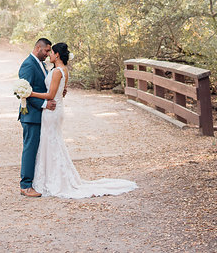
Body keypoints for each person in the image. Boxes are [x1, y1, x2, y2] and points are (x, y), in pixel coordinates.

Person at [29, 42, 138, 198]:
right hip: (57, 110)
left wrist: (30, 93)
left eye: (51, 52)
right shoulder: (63, 70)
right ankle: (52, 176)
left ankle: (54, 179)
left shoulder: (57, 72)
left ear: (57, 55)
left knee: (51, 142)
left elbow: (50, 95)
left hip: (51, 111)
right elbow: (63, 92)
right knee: (53, 142)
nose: (49, 55)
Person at [17, 38, 54, 197]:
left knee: (38, 150)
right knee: (30, 150)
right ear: (38, 47)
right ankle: (25, 186)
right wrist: (45, 104)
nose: (47, 54)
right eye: (46, 51)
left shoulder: (41, 64)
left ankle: (36, 182)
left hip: (40, 116)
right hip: (31, 116)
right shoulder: (28, 65)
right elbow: (25, 92)